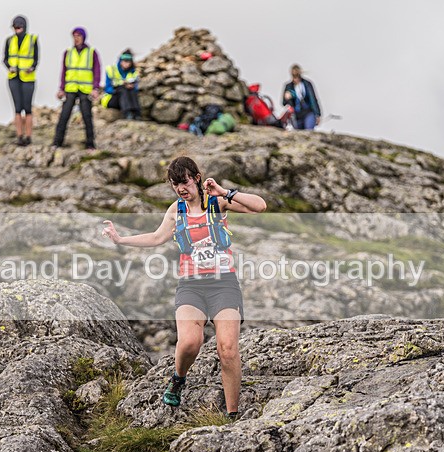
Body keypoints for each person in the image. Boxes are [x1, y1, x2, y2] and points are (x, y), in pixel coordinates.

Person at [101, 157, 267, 419]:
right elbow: (156, 237)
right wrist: (120, 240)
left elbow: (260, 206)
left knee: (227, 349)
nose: (180, 188)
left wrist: (225, 191)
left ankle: (232, 415)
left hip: (224, 284)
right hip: (191, 287)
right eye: (175, 184)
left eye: (185, 182)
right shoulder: (176, 210)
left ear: (197, 178)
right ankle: (178, 378)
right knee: (190, 342)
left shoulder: (217, 202)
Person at [52, 27, 101, 150]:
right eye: (74, 36)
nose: (76, 38)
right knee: (64, 115)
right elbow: (64, 71)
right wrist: (61, 88)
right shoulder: (68, 53)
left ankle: (90, 144)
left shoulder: (92, 52)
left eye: (78, 36)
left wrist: (95, 88)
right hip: (71, 88)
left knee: (87, 116)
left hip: (85, 89)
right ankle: (57, 142)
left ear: (83, 37)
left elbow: (97, 71)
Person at [4, 15, 39, 146]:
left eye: (18, 27)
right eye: (15, 27)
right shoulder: (9, 41)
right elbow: (5, 58)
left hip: (28, 78)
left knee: (27, 108)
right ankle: (19, 136)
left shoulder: (32, 40)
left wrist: (32, 68)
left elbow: (36, 59)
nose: (16, 29)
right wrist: (9, 67)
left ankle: (28, 136)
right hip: (14, 78)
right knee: (17, 108)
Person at [101, 49, 141, 120]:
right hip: (111, 99)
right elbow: (108, 88)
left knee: (131, 90)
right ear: (120, 60)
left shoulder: (133, 73)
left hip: (125, 98)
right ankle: (127, 113)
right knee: (122, 89)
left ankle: (136, 113)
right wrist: (119, 87)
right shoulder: (111, 70)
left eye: (128, 61)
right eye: (124, 61)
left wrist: (132, 86)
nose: (126, 63)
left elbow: (136, 87)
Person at [282, 64, 322, 130]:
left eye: (297, 75)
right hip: (296, 115)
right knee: (299, 133)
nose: (296, 78)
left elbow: (313, 99)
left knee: (308, 130)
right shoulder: (288, 86)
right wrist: (286, 98)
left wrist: (317, 114)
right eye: (294, 76)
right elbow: (283, 103)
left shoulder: (307, 84)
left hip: (308, 112)